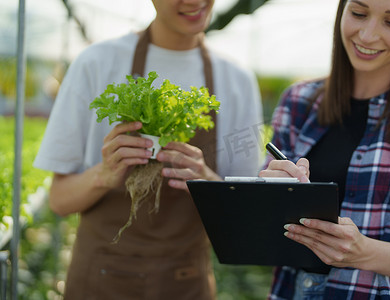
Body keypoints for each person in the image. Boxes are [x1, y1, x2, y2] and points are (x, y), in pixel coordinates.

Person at [33, 0, 263, 299]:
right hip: (99, 282)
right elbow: (59, 201)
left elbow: (246, 217)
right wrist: (103, 174)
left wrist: (209, 184)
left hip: (185, 282)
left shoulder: (236, 80)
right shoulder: (96, 62)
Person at [259, 0, 390, 298]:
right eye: (358, 13)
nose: (367, 34)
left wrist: (365, 253)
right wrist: (268, 197)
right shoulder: (298, 102)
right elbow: (262, 234)